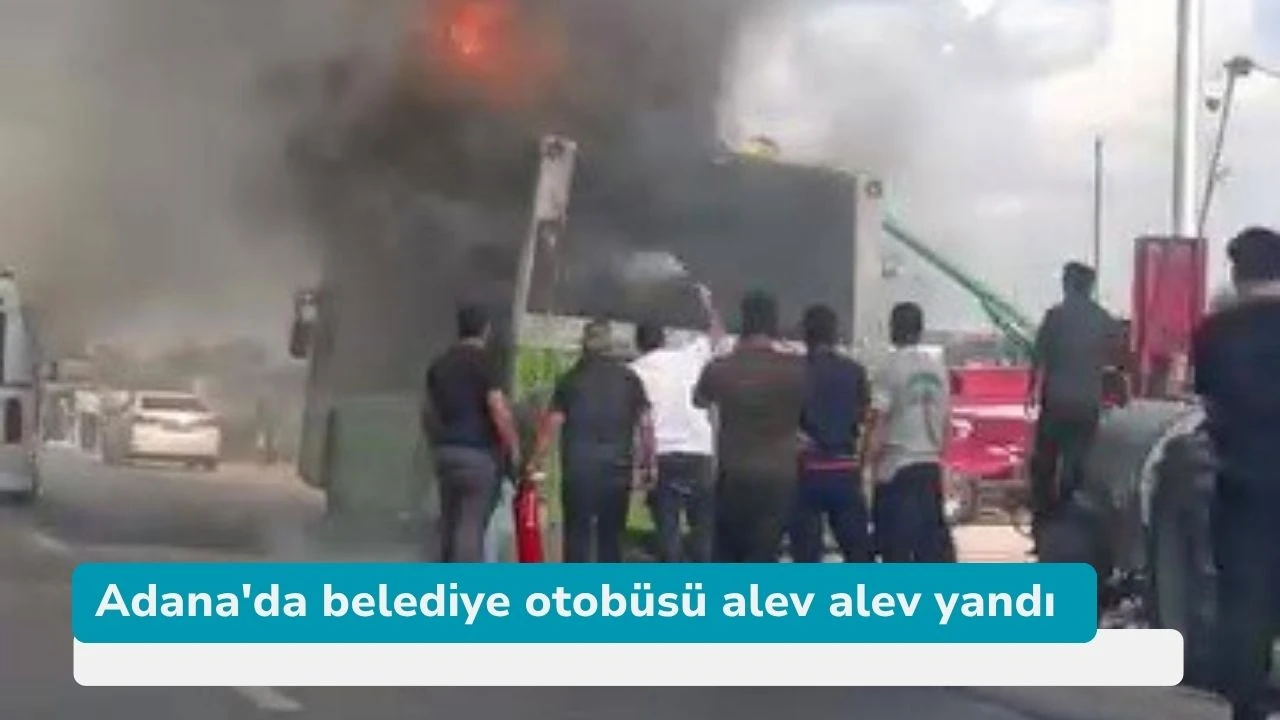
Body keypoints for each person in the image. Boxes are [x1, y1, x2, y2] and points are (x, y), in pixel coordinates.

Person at [1193, 227, 1280, 720]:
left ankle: (1248, 701)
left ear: (1237, 272)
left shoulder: (1215, 333)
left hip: (1243, 483)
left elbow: (1207, 403)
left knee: (1245, 595)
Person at [693, 290, 806, 562]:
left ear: (743, 322)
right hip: (779, 475)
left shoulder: (721, 368)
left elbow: (699, 399)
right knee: (763, 555)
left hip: (734, 473)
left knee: (728, 556)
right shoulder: (796, 369)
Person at [529, 318, 654, 563]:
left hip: (578, 469)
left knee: (577, 534)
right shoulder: (629, 379)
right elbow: (646, 424)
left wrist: (536, 460)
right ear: (610, 347)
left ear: (584, 346)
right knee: (611, 536)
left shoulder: (570, 379)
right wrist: (649, 463)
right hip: (617, 468)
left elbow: (552, 423)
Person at [1027, 262, 1121, 544]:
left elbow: (1038, 358)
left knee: (1044, 466)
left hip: (1056, 404)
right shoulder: (1104, 320)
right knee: (1079, 466)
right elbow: (1118, 359)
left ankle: (1043, 528)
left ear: (1067, 285)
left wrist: (1030, 391)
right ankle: (1075, 528)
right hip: (1086, 406)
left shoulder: (1054, 317)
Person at [630, 284, 726, 562]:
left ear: (639, 344)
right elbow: (717, 334)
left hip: (664, 455)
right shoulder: (689, 356)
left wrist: (642, 464)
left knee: (668, 528)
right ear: (664, 340)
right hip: (699, 451)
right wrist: (708, 303)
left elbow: (640, 421)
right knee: (703, 526)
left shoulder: (635, 371)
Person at [423, 305, 521, 563]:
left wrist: (436, 444)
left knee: (449, 520)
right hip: (478, 455)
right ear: (485, 330)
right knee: (470, 524)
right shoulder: (487, 363)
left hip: (446, 453)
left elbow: (428, 412)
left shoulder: (439, 364)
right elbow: (497, 408)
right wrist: (513, 448)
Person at [867, 302, 953, 563]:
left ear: (893, 328)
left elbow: (879, 421)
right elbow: (946, 421)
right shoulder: (939, 368)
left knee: (896, 553)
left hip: (897, 469)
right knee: (931, 555)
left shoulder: (889, 367)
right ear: (920, 330)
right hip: (930, 469)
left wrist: (867, 463)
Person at [790, 304, 873, 563]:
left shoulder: (796, 370)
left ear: (806, 334)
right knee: (858, 555)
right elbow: (864, 415)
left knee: (806, 557)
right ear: (835, 334)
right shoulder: (855, 371)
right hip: (844, 468)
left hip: (806, 469)